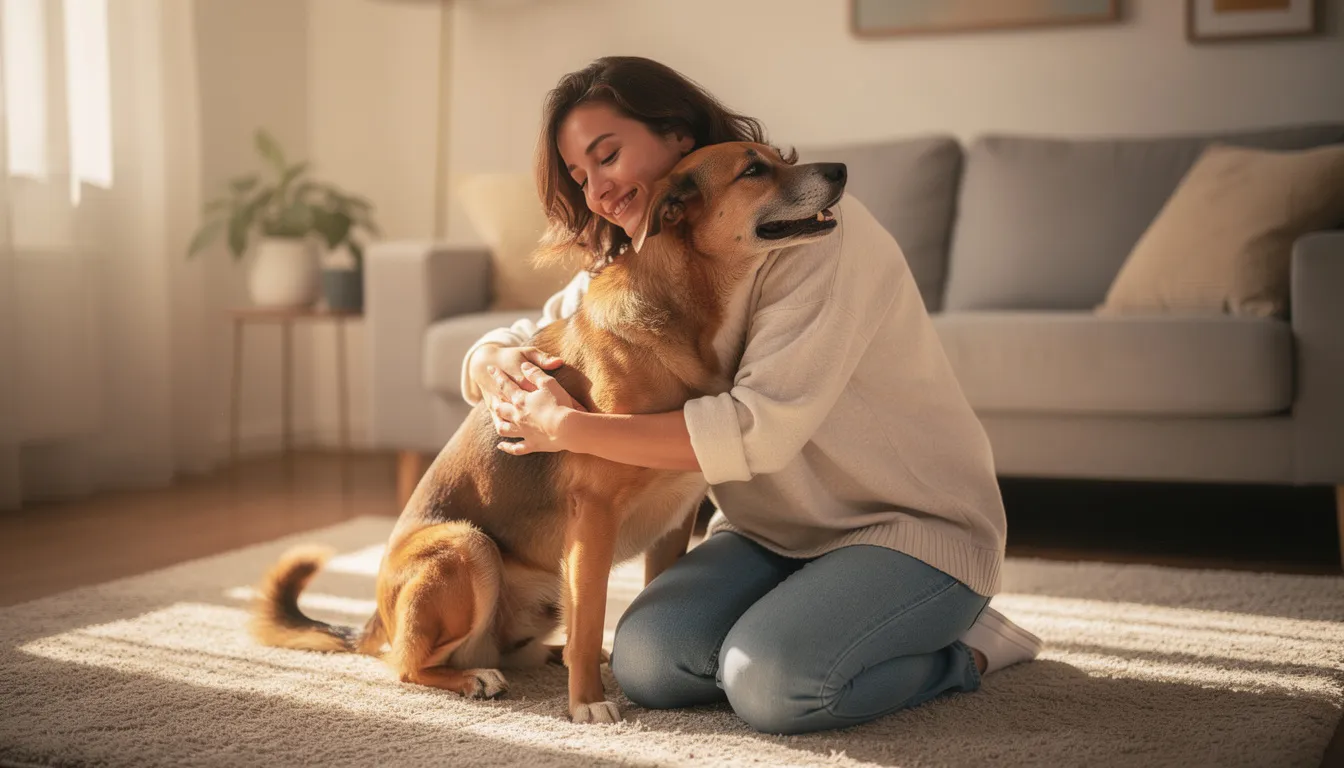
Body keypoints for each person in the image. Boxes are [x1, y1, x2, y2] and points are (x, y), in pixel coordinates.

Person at [459, 56, 1042, 736]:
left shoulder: (810, 233)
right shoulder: (651, 251)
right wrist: (491, 357)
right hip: (770, 537)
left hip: (907, 531)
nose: (597, 192)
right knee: (648, 665)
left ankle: (969, 649)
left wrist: (568, 427)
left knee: (772, 684)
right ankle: (817, 623)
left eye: (608, 156)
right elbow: (543, 328)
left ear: (678, 137)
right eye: (581, 177)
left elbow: (754, 431)